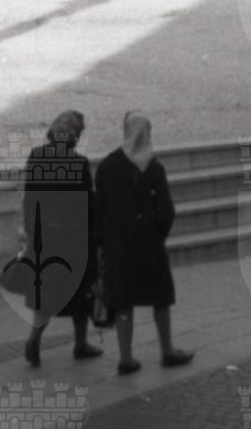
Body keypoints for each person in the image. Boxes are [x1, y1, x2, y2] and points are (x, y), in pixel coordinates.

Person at [95, 111, 193, 376]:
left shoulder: (107, 166)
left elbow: (99, 210)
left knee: (123, 299)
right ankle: (167, 349)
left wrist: (103, 243)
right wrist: (157, 235)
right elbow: (165, 211)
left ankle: (126, 358)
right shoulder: (154, 167)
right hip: (149, 245)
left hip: (118, 246)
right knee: (161, 296)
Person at [21, 109, 101, 366]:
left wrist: (31, 229)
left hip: (46, 235)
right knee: (82, 291)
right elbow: (88, 206)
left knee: (48, 294)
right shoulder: (79, 163)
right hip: (74, 238)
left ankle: (34, 339)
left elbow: (30, 197)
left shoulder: (36, 156)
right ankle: (80, 343)